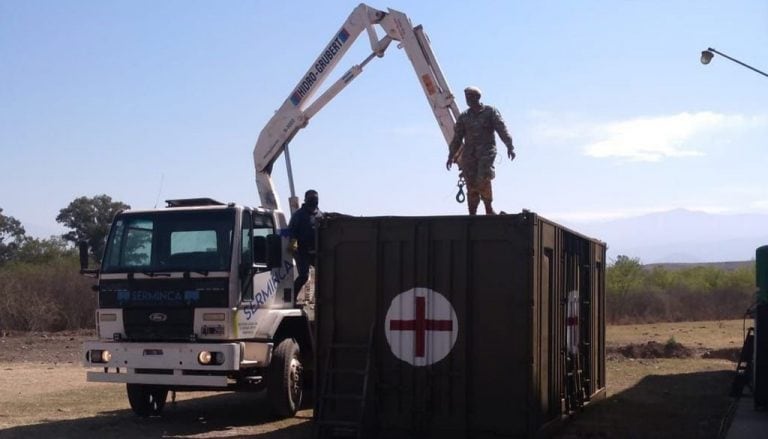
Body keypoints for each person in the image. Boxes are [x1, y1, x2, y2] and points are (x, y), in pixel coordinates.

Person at [446, 86, 516, 215]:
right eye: (467, 97)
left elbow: (502, 129)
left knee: (483, 178)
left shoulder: (490, 112)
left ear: (477, 98)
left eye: (471, 97)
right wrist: (451, 155)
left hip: (486, 153)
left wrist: (509, 145)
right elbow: (457, 138)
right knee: (471, 182)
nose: (468, 100)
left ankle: (488, 207)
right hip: (469, 155)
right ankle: (472, 211)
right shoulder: (464, 117)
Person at [288, 189, 322, 304]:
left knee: (324, 274)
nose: (314, 201)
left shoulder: (320, 214)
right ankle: (291, 299)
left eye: (316, 198)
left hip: (316, 251)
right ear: (306, 199)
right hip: (301, 251)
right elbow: (291, 232)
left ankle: (320, 300)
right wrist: (293, 249)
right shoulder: (299, 215)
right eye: (312, 198)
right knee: (303, 276)